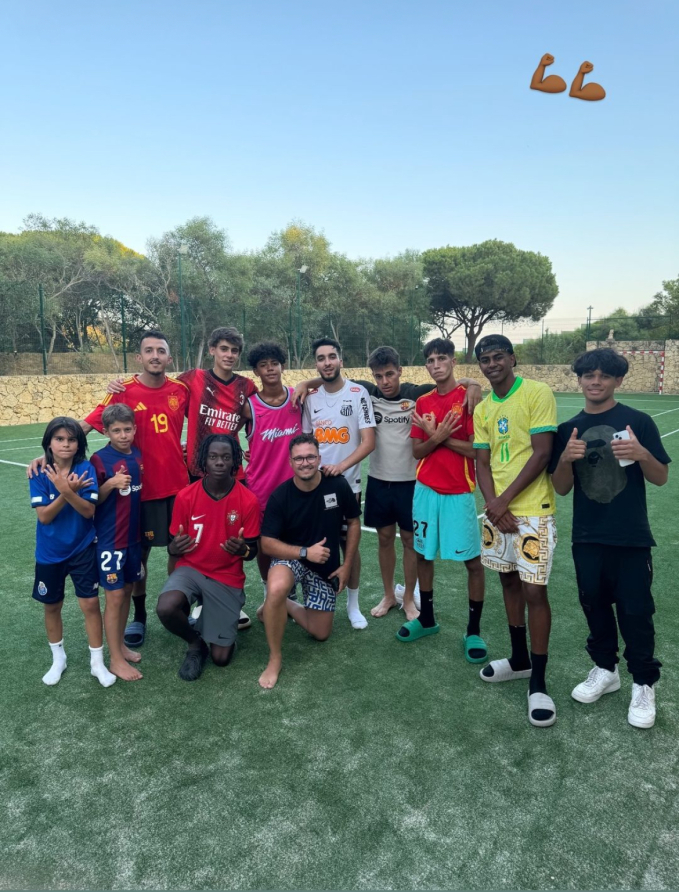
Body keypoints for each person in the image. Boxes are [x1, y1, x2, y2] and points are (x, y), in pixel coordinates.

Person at [549, 348, 670, 728]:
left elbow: (660, 477)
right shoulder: (568, 428)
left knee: (636, 612)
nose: (595, 381)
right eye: (588, 375)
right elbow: (562, 488)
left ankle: (644, 683)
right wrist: (565, 459)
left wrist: (641, 453)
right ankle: (605, 668)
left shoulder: (638, 422)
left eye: (603, 375)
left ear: (618, 380)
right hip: (587, 535)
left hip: (631, 536)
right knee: (594, 605)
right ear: (579, 380)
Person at [105, 326, 255, 631]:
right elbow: (109, 413)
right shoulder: (191, 381)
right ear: (211, 349)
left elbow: (268, 407)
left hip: (225, 476)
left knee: (215, 541)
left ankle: (216, 600)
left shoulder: (245, 386)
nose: (228, 355)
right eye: (223, 348)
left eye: (234, 350)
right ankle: (143, 614)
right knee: (149, 551)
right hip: (188, 479)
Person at [83, 330, 189, 647]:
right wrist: (52, 450)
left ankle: (179, 608)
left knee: (180, 550)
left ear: (169, 358)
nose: (155, 356)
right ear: (140, 357)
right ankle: (139, 616)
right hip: (137, 491)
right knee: (137, 557)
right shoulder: (122, 390)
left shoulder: (181, 390)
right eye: (149, 350)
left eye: (161, 350)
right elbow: (87, 424)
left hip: (177, 488)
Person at [473, 334, 558, 728]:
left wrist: (504, 502)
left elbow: (542, 453)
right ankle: (519, 659)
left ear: (512, 358)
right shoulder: (485, 407)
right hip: (498, 513)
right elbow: (482, 462)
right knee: (507, 583)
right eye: (485, 360)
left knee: (534, 591)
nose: (492, 364)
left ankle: (538, 682)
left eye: (498, 357)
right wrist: (493, 505)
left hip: (532, 512)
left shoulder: (537, 393)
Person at [395, 339, 486, 663]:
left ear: (453, 360)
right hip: (425, 491)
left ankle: (473, 630)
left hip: (459, 492)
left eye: (441, 358)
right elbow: (418, 451)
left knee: (473, 563)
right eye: (430, 360)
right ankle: (428, 618)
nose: (436, 364)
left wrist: (442, 436)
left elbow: (477, 450)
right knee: (423, 555)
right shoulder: (423, 401)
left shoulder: (469, 398)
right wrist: (435, 437)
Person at [258, 434, 361, 688]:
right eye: (299, 458)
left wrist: (347, 565)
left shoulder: (336, 485)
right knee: (277, 586)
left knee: (321, 633)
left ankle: (279, 605)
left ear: (319, 458)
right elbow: (267, 543)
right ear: (290, 462)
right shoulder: (281, 495)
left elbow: (353, 521)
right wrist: (304, 552)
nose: (305, 462)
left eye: (310, 457)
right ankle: (275, 658)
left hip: (324, 566)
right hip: (294, 558)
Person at [156, 434, 260, 681]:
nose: (220, 462)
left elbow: (253, 551)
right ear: (204, 460)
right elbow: (173, 545)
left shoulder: (248, 500)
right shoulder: (186, 496)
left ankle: (218, 621)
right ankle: (195, 643)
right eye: (213, 456)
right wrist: (173, 549)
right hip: (191, 569)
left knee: (221, 659)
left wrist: (242, 550)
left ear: (235, 460)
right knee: (166, 607)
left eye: (226, 457)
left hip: (226, 576)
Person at [29, 416, 115, 688]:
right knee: (52, 605)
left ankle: (97, 663)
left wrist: (66, 491)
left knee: (90, 604)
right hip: (49, 553)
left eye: (71, 439)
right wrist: (65, 492)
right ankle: (58, 659)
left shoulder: (86, 469)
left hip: (83, 549)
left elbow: (88, 510)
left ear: (79, 443)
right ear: (49, 443)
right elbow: (44, 517)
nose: (65, 444)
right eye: (59, 439)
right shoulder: (38, 473)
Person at [301, 337, 375, 630]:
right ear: (316, 364)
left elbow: (369, 442)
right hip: (314, 485)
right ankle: (313, 598)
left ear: (340, 360)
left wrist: (340, 468)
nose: (327, 362)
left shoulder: (358, 394)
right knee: (313, 542)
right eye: (321, 358)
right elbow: (306, 441)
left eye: (332, 356)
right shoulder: (311, 397)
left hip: (348, 486)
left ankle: (353, 605)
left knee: (349, 546)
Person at [242, 341, 303, 597]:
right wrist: (241, 452)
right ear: (256, 371)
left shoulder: (298, 398)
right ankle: (270, 592)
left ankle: (291, 589)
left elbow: (326, 382)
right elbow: (224, 432)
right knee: (266, 546)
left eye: (274, 364)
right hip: (262, 491)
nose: (270, 369)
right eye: (263, 365)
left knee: (296, 542)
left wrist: (306, 384)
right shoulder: (249, 406)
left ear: (283, 366)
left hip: (296, 489)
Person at [90, 404, 144, 682]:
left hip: (133, 539)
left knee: (126, 592)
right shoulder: (100, 459)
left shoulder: (137, 453)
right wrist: (110, 484)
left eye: (127, 429)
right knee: (113, 598)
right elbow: (91, 501)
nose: (123, 435)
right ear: (106, 432)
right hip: (110, 541)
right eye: (116, 431)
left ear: (134, 429)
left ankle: (120, 645)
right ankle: (114, 659)